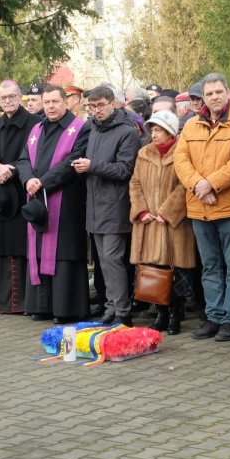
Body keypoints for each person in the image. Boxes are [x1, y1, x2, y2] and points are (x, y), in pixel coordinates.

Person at [173, 73, 230, 342]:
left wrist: (211, 184)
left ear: (227, 92)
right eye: (209, 94)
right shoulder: (190, 126)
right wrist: (198, 184)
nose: (214, 98)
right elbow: (180, 159)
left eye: (218, 92)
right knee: (210, 266)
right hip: (199, 207)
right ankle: (214, 316)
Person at [16, 85, 91, 323]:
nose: (50, 106)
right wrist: (28, 179)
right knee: (38, 252)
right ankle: (41, 306)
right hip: (39, 199)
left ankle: (65, 308)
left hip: (67, 203)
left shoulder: (80, 128)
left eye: (55, 101)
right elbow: (23, 158)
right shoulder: (36, 128)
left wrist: (43, 182)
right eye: (46, 102)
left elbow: (73, 161)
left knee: (64, 254)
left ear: (66, 102)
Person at [75, 85, 139, 325]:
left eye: (100, 105)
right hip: (95, 206)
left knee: (113, 260)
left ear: (113, 103)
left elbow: (125, 170)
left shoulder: (127, 132)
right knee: (103, 262)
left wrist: (92, 166)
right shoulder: (93, 129)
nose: (96, 110)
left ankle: (123, 311)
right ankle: (112, 306)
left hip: (115, 207)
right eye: (92, 106)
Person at [128, 111, 195, 334]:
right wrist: (142, 210)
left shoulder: (183, 153)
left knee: (174, 271)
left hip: (172, 224)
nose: (154, 135)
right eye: (152, 130)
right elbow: (135, 184)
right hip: (148, 223)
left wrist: (166, 211)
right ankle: (161, 314)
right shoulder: (143, 153)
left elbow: (184, 185)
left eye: (158, 130)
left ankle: (176, 315)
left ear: (170, 132)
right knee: (153, 271)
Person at [0, 81, 37, 314]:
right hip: (3, 197)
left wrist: (12, 169)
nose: (7, 101)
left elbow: (37, 156)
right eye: (2, 98)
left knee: (26, 246)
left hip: (25, 192)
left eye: (11, 96)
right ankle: (7, 302)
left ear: (20, 97)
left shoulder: (35, 123)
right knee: (5, 246)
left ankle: (27, 301)